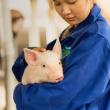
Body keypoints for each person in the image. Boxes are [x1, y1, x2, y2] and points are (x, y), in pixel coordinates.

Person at [12, 0, 110, 110]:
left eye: (71, 1)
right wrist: (30, 55)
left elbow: (64, 96)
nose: (64, 11)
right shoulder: (73, 32)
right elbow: (23, 70)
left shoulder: (96, 39)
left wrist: (20, 94)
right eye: (57, 3)